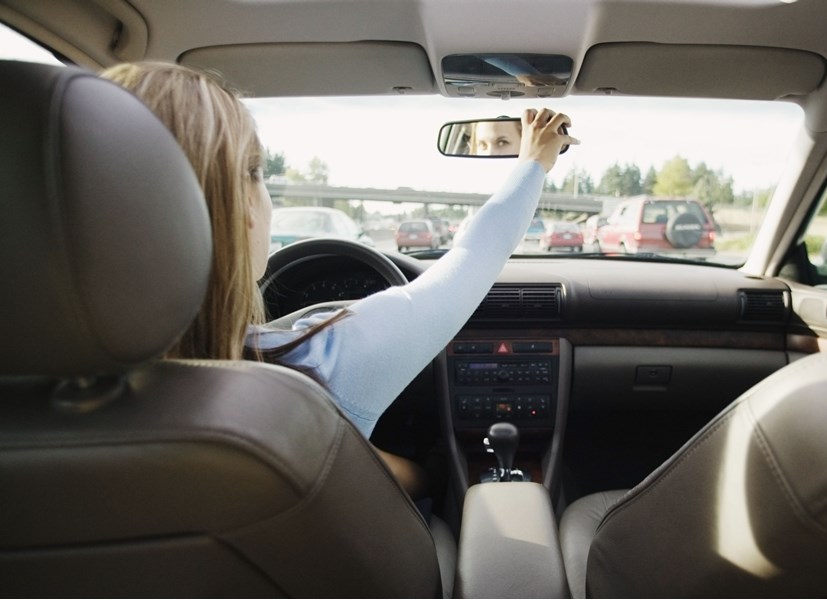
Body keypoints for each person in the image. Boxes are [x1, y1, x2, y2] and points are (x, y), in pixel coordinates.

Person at [100, 61, 577, 498]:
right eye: (256, 172)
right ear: (240, 207)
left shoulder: (42, 401)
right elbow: (473, 259)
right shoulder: (318, 362)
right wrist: (534, 162)